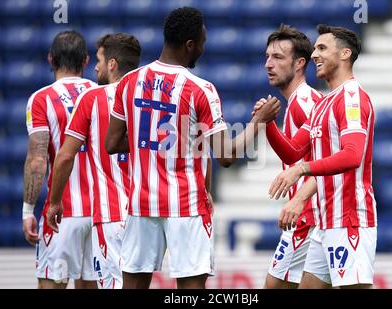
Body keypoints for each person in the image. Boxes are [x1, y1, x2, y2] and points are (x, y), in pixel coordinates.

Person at [105, 7, 280, 289]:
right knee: (191, 291)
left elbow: (111, 143)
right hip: (186, 206)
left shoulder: (128, 83)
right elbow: (224, 156)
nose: (203, 48)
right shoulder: (201, 89)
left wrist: (154, 140)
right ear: (190, 45)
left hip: (141, 204)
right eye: (202, 42)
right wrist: (257, 122)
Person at [256, 24, 377, 289]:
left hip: (349, 220)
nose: (314, 55)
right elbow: (293, 151)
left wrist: (301, 172)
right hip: (325, 222)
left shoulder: (352, 98)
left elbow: (353, 155)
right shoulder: (323, 103)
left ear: (345, 54)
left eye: (322, 48)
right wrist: (268, 123)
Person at [46, 33, 141, 289]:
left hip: (111, 214)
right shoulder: (149, 98)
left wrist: (55, 201)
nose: (95, 67)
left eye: (99, 60)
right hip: (146, 213)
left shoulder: (92, 99)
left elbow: (65, 156)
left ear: (112, 64)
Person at [22, 30, 97, 289]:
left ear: (50, 59)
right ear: (86, 61)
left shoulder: (41, 99)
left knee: (52, 285)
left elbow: (37, 160)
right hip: (103, 214)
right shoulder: (103, 94)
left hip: (62, 213)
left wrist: (27, 210)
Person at [256, 24, 323, 289]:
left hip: (309, 217)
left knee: (275, 286)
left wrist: (299, 199)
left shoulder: (304, 101)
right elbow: (295, 152)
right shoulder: (300, 101)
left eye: (278, 57)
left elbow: (331, 159)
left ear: (299, 64)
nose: (268, 64)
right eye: (267, 57)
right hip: (314, 215)